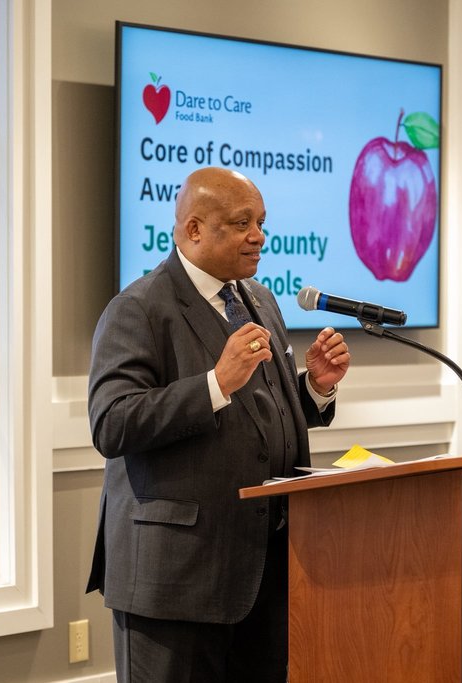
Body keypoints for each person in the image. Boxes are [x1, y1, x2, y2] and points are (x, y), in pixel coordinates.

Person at [86, 167, 350, 682]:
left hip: (264, 571)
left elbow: (260, 409)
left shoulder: (259, 299)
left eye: (262, 222)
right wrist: (214, 384)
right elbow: (112, 423)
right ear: (194, 230)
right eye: (242, 222)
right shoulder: (137, 308)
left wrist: (315, 388)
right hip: (177, 577)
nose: (260, 236)